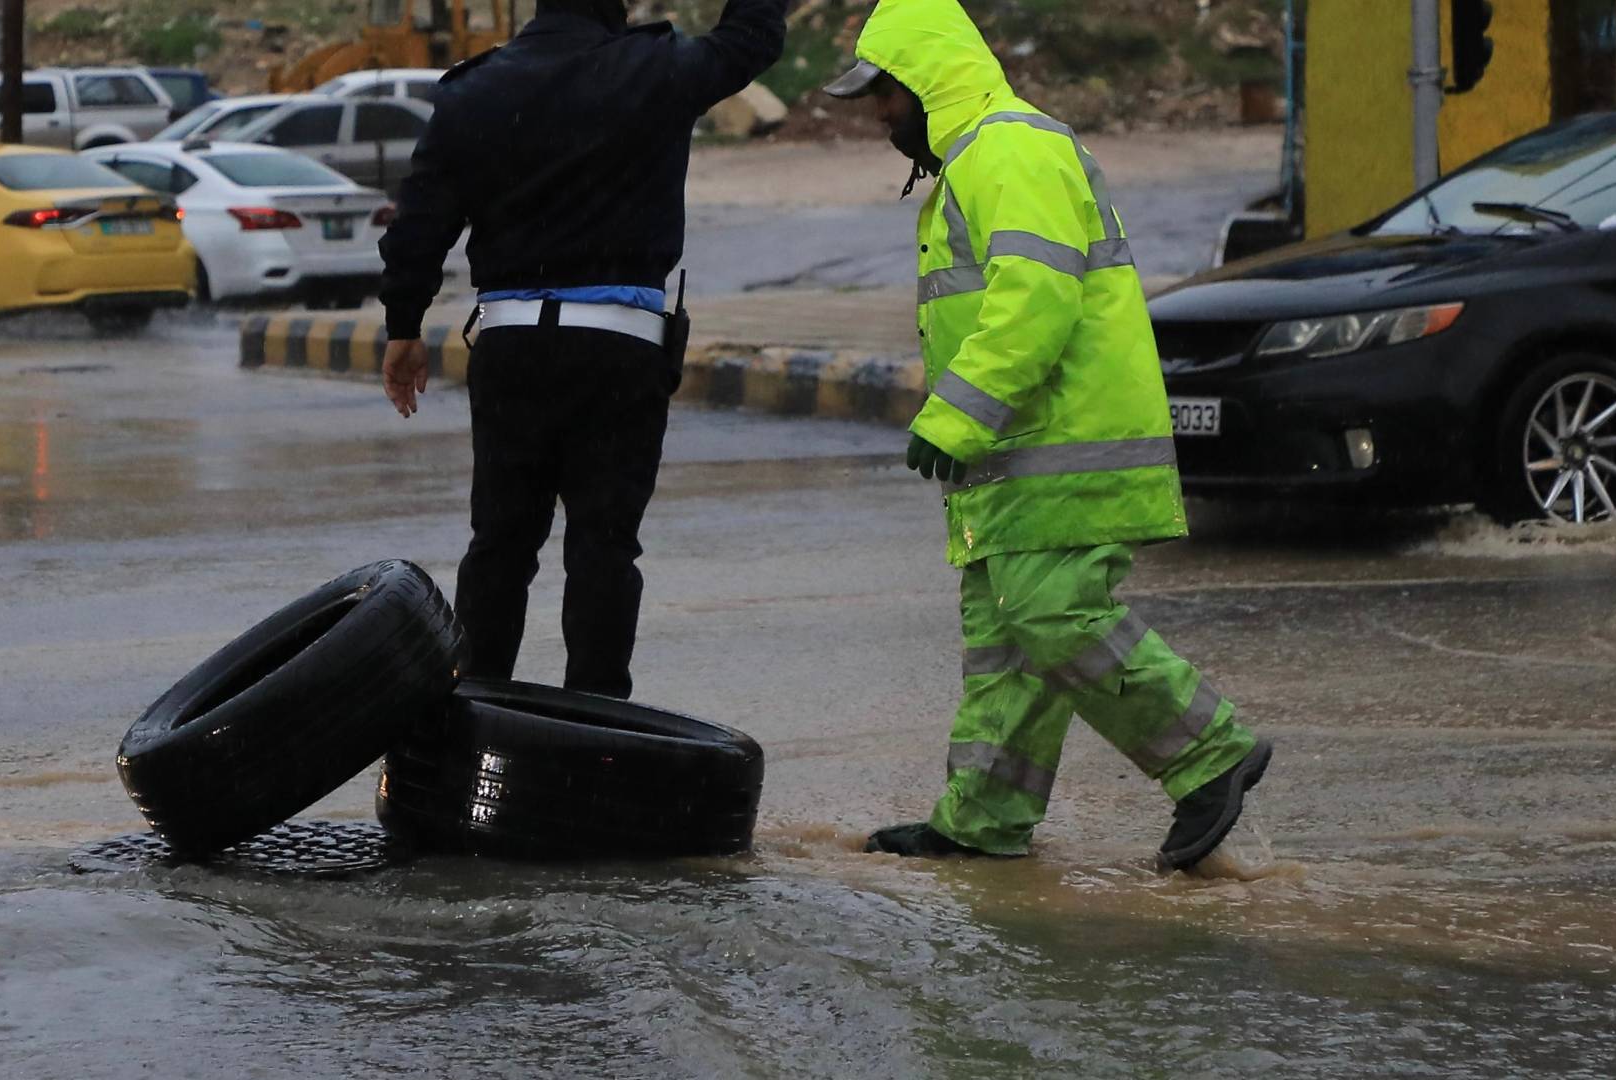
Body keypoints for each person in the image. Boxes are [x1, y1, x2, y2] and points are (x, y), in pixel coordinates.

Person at [824, 0, 1271, 871]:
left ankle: (1209, 754)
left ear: (926, 82)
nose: (878, 113)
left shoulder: (1011, 149)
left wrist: (955, 415)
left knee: (1052, 615)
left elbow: (1035, 298)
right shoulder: (976, 163)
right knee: (1009, 647)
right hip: (1017, 457)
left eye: (884, 93)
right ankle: (982, 821)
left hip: (1065, 447)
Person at [378, 0, 786, 699]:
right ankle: (596, 732)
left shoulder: (475, 90)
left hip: (510, 348)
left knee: (500, 546)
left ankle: (470, 714)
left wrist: (404, 324)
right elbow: (751, 37)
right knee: (604, 549)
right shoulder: (656, 70)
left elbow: (418, 223)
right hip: (620, 351)